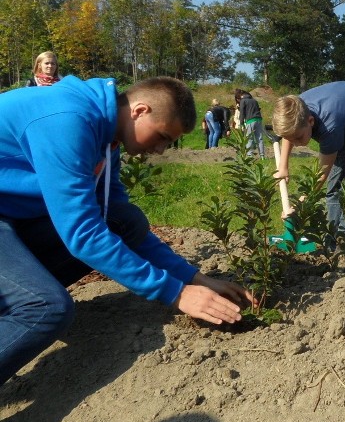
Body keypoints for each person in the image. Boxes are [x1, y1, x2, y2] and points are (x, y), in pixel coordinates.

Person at [0, 75, 256, 386]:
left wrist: (193, 277)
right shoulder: (68, 121)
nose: (161, 150)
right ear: (139, 111)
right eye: (162, 136)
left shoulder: (108, 141)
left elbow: (112, 219)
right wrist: (176, 294)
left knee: (126, 221)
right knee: (45, 308)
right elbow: (83, 234)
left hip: (12, 216)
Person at [272, 81, 345, 233]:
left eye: (299, 137)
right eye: (291, 138)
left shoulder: (329, 124)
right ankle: (332, 237)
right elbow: (289, 133)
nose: (296, 143)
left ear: (310, 121)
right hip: (343, 117)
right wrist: (283, 167)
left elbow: (321, 174)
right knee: (335, 182)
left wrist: (299, 205)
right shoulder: (293, 110)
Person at [238, 91, 265, 158]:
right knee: (259, 138)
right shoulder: (254, 101)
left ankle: (249, 155)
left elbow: (242, 113)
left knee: (249, 138)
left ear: (242, 96)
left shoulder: (243, 101)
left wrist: (241, 124)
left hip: (250, 120)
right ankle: (262, 156)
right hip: (258, 119)